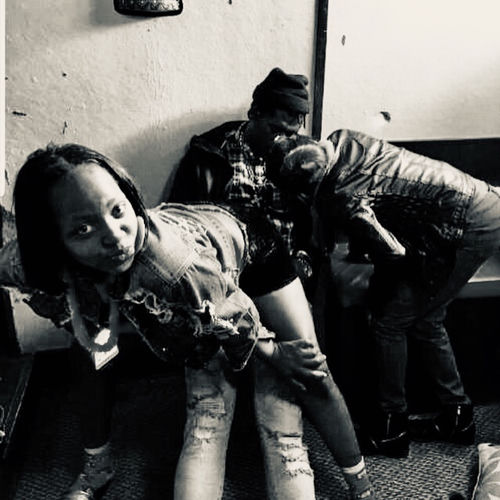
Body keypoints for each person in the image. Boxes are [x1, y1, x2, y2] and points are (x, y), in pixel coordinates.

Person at [0, 143, 376, 499]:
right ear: (50, 242)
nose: (114, 237)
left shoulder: (174, 267)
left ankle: (361, 485)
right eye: (83, 229)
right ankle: (97, 466)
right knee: (92, 356)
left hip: (247, 244)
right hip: (184, 269)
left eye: (117, 210)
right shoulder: (27, 264)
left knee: (309, 372)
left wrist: (278, 354)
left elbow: (233, 316)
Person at [267, 129, 500, 459]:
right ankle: (457, 416)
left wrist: (378, 287)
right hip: (477, 202)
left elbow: (393, 253)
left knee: (389, 323)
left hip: (467, 226)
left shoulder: (342, 195)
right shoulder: (342, 139)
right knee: (427, 320)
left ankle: (393, 427)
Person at [167, 67, 318, 289]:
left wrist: (304, 260)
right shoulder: (209, 155)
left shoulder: (303, 158)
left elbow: (317, 226)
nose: (283, 141)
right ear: (254, 113)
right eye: (276, 130)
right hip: (230, 281)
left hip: (288, 279)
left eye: (291, 134)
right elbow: (181, 227)